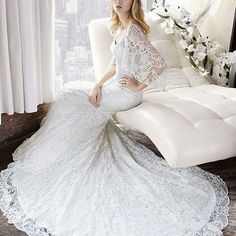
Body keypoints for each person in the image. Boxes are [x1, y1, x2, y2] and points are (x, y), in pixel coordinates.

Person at [0, 0, 229, 235]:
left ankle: (60, 153)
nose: (119, 2)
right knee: (72, 93)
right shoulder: (120, 28)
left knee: (70, 95)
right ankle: (64, 151)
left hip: (127, 95)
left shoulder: (133, 30)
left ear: (134, 3)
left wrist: (138, 84)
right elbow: (113, 65)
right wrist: (98, 84)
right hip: (114, 89)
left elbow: (159, 64)